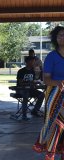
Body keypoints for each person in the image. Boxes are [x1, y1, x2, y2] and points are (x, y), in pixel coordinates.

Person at [32, 26, 64, 160]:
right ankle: (50, 152)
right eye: (60, 35)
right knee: (57, 123)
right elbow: (46, 79)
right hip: (55, 92)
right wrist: (59, 83)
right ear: (55, 39)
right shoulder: (51, 56)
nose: (63, 37)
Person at [16, 56, 45, 120]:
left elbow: (33, 81)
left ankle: (35, 110)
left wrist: (36, 83)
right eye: (32, 61)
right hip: (21, 89)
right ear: (28, 62)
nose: (34, 63)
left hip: (31, 89)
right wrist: (30, 83)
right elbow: (20, 83)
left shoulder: (33, 71)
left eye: (34, 61)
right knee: (26, 95)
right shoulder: (21, 71)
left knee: (42, 95)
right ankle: (24, 115)